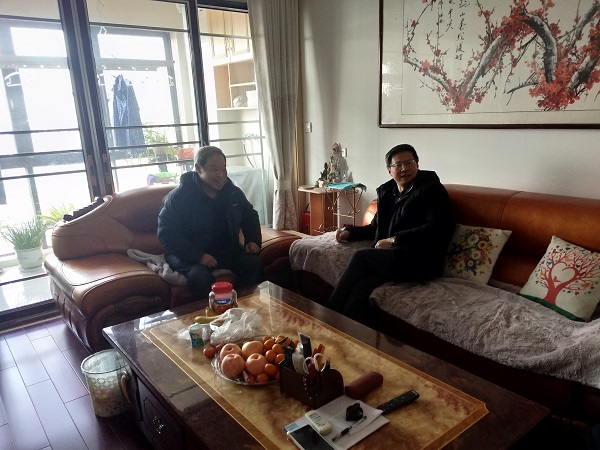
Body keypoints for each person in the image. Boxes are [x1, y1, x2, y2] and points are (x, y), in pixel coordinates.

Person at [325, 144, 455, 325]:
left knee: (361, 257)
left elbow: (438, 228)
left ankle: (327, 317)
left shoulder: (432, 190)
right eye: (398, 165)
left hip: (421, 259)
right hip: (392, 258)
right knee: (362, 289)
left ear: (417, 164)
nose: (404, 169)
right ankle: (347, 333)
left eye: (409, 163)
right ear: (389, 170)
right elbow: (375, 227)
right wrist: (349, 232)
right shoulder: (387, 193)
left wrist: (395, 240)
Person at [158, 145, 263, 299]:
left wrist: (253, 240)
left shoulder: (232, 192)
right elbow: (167, 234)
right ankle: (212, 312)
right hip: (188, 255)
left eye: (223, 169)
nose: (221, 175)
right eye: (215, 169)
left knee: (253, 263)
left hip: (225, 250)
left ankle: (244, 305)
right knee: (199, 276)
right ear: (198, 169)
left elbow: (250, 216)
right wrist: (199, 256)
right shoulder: (179, 198)